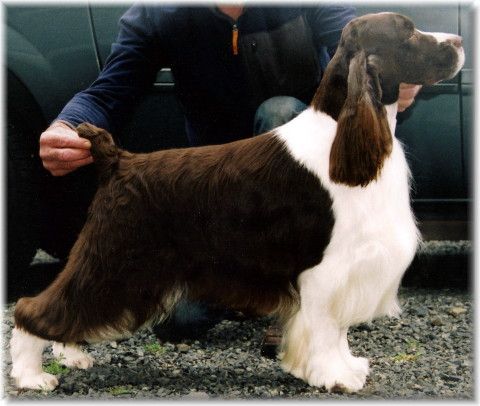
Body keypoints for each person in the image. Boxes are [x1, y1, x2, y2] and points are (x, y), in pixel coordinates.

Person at [38, 4, 421, 343]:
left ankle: (301, 304)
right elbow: (110, 90)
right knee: (179, 321)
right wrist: (67, 125)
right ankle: (263, 292)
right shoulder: (157, 12)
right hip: (219, 192)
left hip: (299, 181)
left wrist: (396, 82)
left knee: (279, 113)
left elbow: (362, 51)